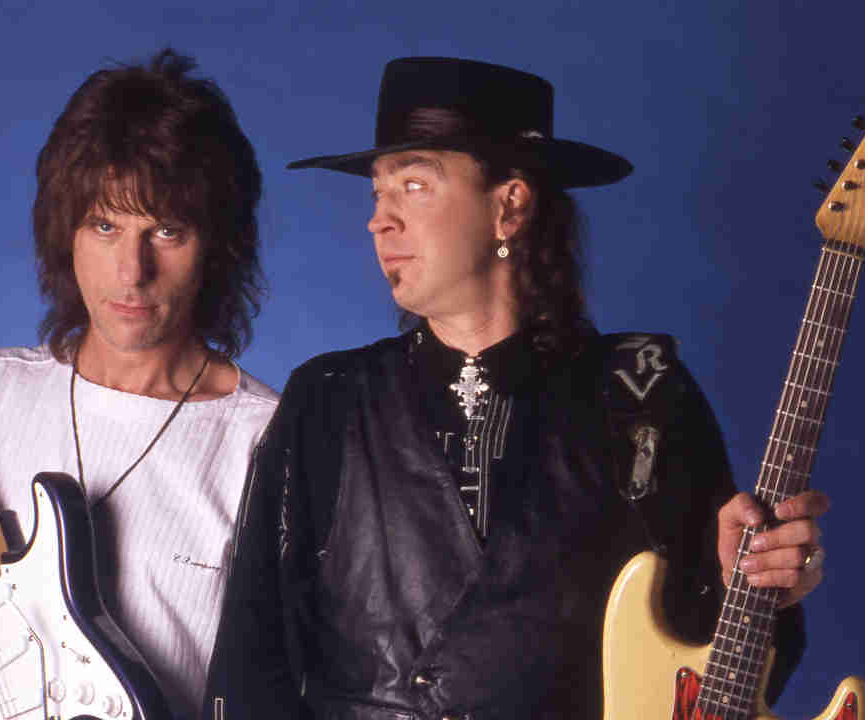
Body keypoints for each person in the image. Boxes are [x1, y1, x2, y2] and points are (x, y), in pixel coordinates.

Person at [202, 57, 828, 720]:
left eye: (413, 186)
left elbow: (708, 675)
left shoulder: (641, 392)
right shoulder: (327, 397)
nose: (379, 221)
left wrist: (757, 586)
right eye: (377, 194)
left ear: (510, 205)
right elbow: (251, 655)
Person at [0, 50, 278, 720]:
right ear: (66, 233)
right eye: (104, 225)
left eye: (166, 230)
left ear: (218, 244)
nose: (130, 270)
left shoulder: (271, 441)